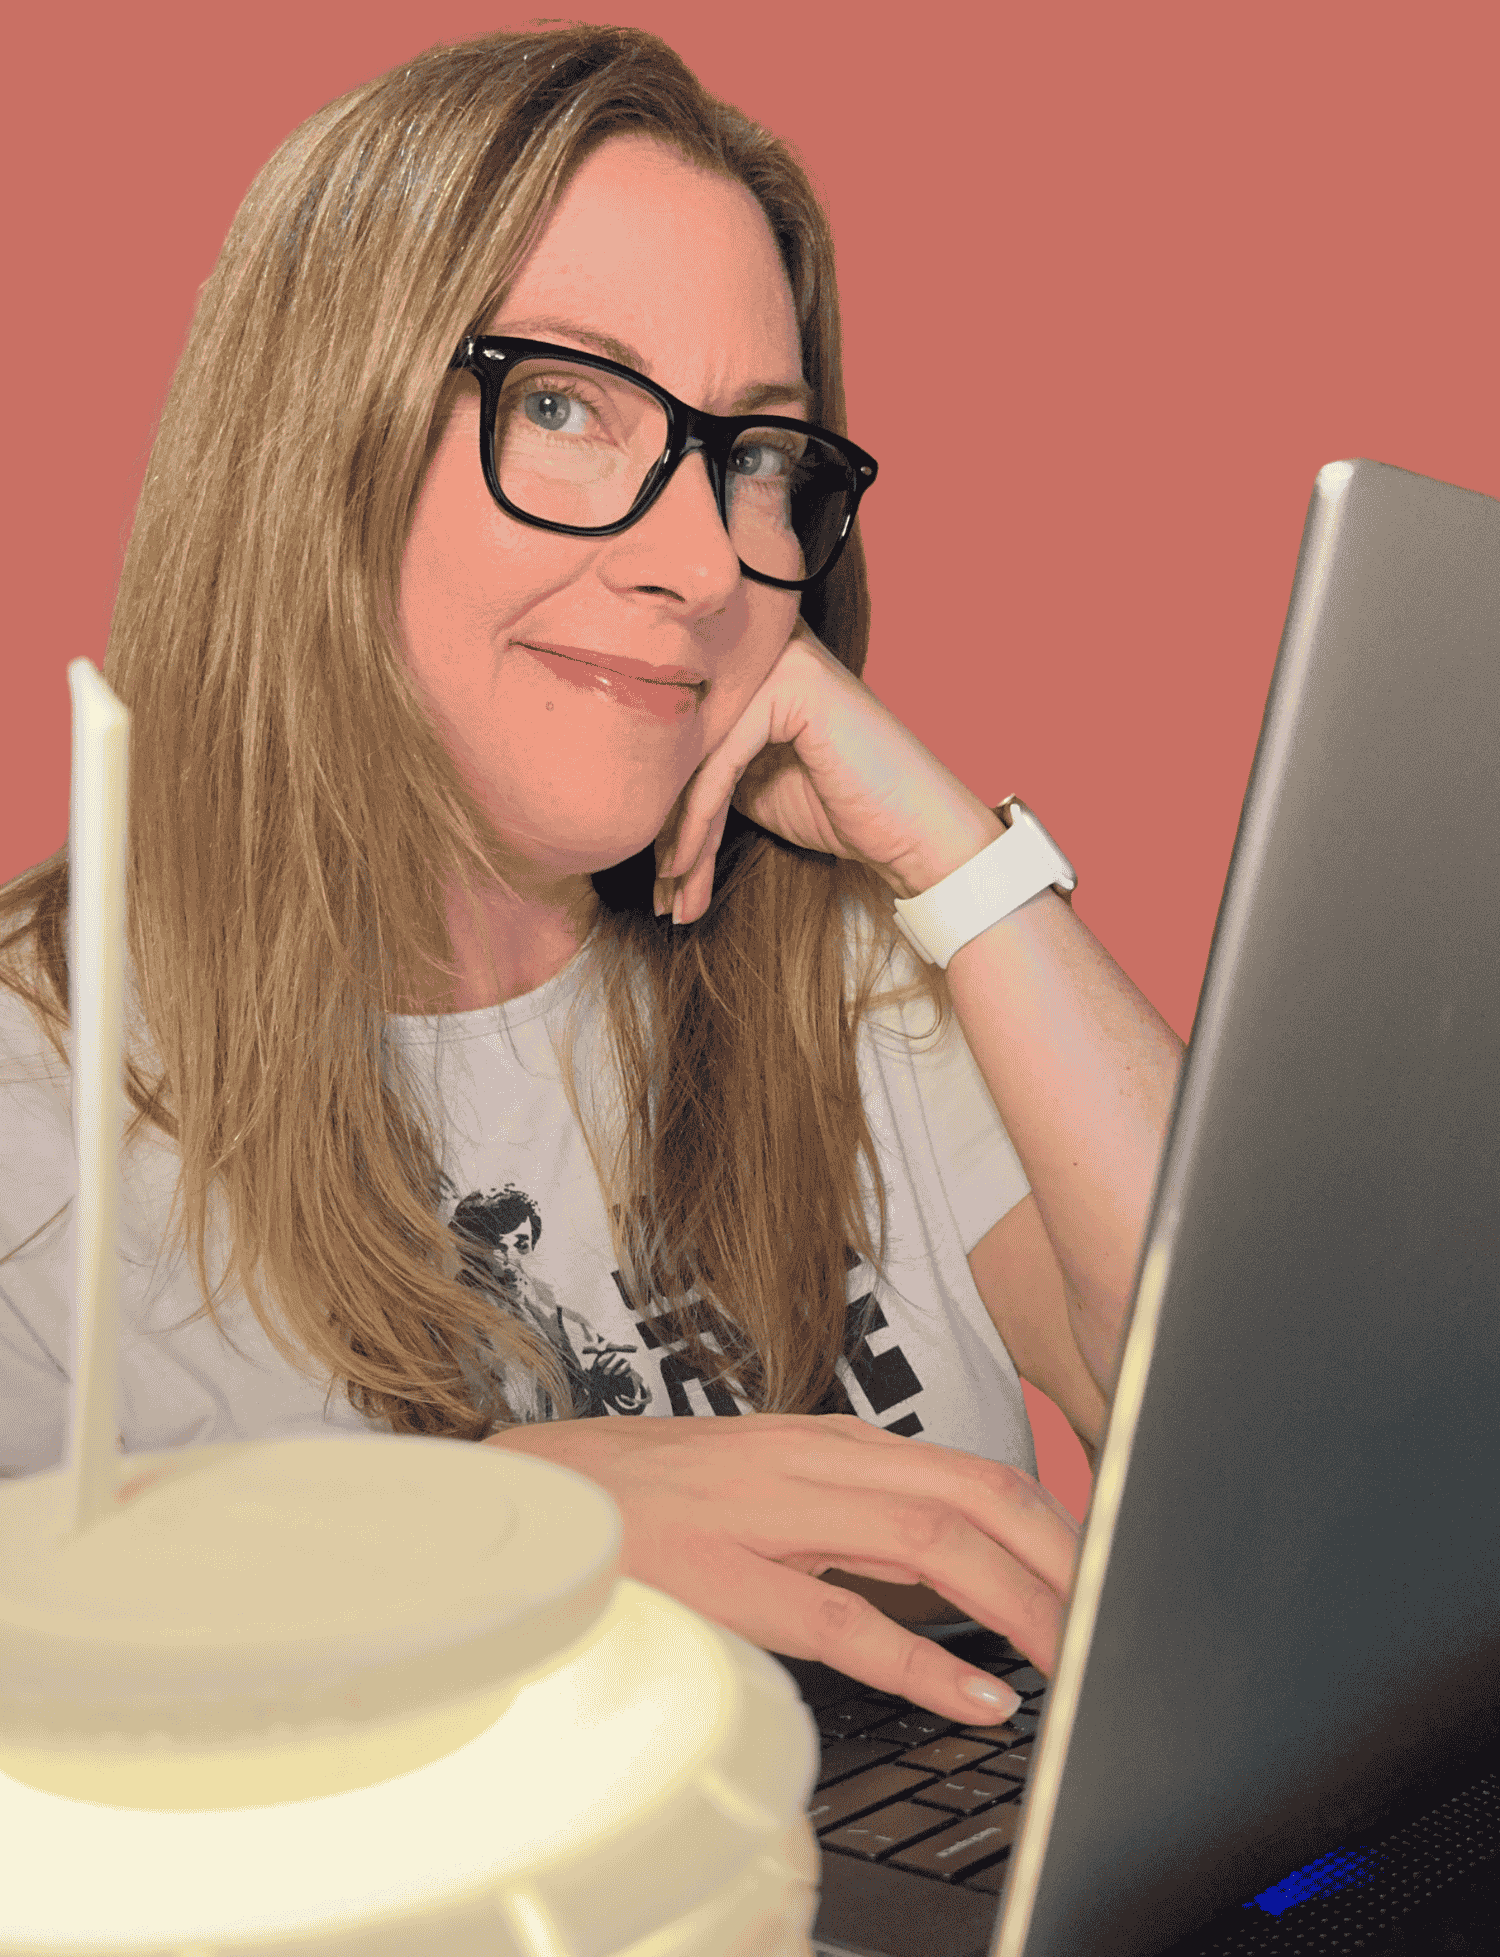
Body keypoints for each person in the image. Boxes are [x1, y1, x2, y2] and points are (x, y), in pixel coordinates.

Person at [0, 24, 1184, 1724]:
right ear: (311, 436)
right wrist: (486, 1536)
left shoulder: (861, 970)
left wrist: (964, 867)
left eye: (758, 455)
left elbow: (1284, 1456)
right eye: (562, 403)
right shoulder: (36, 1120)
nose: (703, 564)